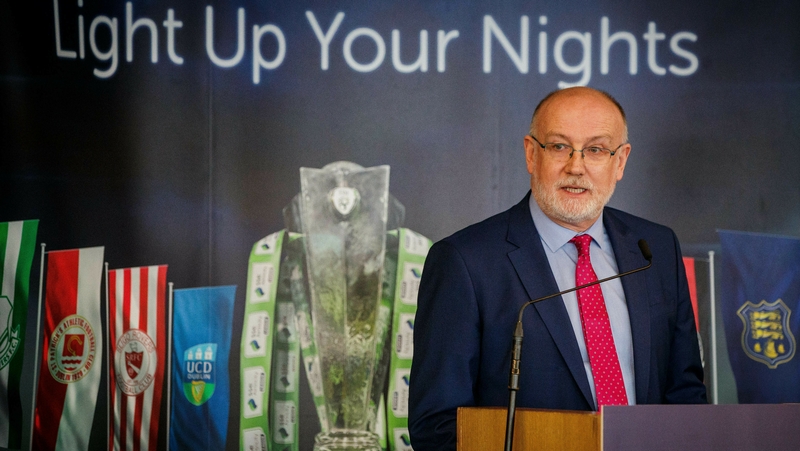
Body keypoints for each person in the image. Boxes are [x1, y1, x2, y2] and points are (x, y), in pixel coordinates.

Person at [408, 87, 707, 450]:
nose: (576, 167)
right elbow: (437, 424)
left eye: (596, 149)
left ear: (621, 162)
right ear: (532, 154)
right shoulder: (464, 261)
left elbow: (685, 394)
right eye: (559, 146)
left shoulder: (655, 249)